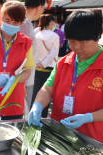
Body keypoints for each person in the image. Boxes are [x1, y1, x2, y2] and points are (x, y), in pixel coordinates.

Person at [29, 10, 103, 143]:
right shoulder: (64, 62)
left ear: (98, 36)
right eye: (72, 41)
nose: (77, 47)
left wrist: (88, 117)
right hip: (59, 136)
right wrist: (37, 105)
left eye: (83, 42)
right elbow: (47, 89)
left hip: (91, 140)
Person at [31, 14, 59, 118]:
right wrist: (44, 64)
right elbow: (53, 54)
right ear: (51, 23)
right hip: (49, 70)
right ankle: (43, 118)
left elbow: (33, 50)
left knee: (35, 94)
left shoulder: (36, 34)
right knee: (47, 95)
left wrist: (38, 63)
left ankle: (32, 116)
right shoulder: (54, 36)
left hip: (36, 68)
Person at [20, 0, 45, 113]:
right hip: (24, 80)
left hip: (23, 78)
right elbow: (21, 54)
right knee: (21, 118)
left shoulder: (24, 22)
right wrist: (22, 83)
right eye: (43, 9)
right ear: (38, 8)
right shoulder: (25, 24)